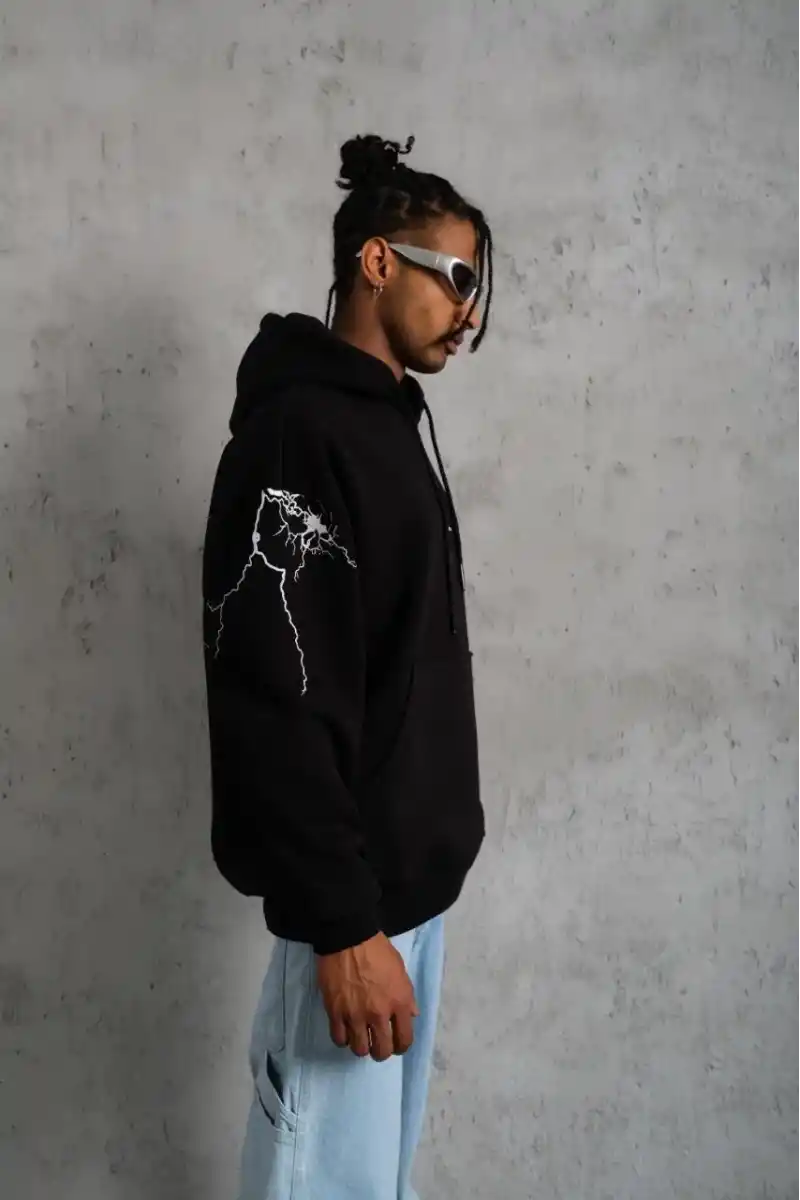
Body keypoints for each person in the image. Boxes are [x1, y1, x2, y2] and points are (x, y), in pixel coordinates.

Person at [202, 133, 493, 1200]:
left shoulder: (385, 430)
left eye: (476, 287)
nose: (469, 310)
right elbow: (278, 693)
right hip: (355, 914)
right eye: (455, 276)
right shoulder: (298, 435)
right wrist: (342, 925)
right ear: (378, 262)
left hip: (406, 901)